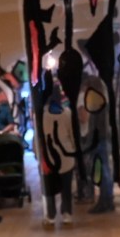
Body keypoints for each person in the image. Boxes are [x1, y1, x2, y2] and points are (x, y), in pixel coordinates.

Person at [79, 76, 115, 213]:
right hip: (103, 138)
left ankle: (105, 201)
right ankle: (108, 200)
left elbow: (94, 125)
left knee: (103, 172)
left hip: (99, 140)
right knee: (105, 171)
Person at [41, 86, 76, 229]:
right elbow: (72, 134)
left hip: (49, 156)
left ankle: (51, 216)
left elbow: (40, 136)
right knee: (66, 187)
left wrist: (38, 154)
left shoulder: (43, 115)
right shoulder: (67, 113)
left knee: (50, 187)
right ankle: (67, 214)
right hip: (67, 155)